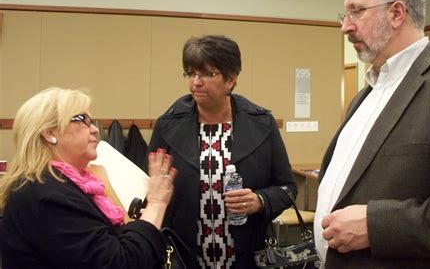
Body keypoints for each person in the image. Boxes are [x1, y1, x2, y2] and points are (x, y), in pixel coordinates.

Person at [314, 0, 430, 268]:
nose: (345, 26)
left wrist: (376, 226)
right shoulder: (365, 95)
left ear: (396, 13)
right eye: (345, 14)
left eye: (356, 11)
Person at [148, 34, 297, 268]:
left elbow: (287, 187)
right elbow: (150, 189)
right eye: (191, 73)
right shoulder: (168, 125)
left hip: (246, 254)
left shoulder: (262, 123)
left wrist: (260, 200)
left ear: (231, 79)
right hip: (183, 255)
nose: (196, 82)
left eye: (208, 73)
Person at [0, 87, 177, 268]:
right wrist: (156, 203)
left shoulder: (70, 185)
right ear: (50, 133)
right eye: (82, 120)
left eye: (92, 121)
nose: (94, 130)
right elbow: (119, 263)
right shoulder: (47, 195)